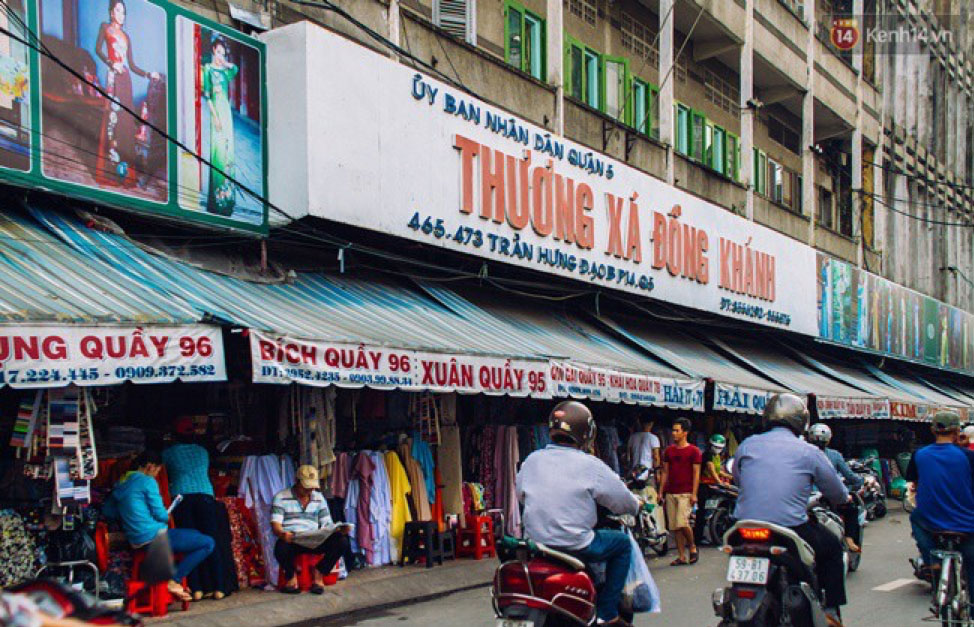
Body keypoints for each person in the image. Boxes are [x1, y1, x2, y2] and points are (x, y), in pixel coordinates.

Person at [516, 401, 640, 627]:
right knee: (622, 544)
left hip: (537, 543)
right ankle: (607, 611)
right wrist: (637, 506)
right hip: (576, 543)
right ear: (587, 432)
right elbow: (624, 502)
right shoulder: (591, 465)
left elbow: (521, 496)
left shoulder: (531, 460)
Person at [732, 393, 849, 627]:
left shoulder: (747, 444)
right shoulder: (809, 451)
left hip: (742, 527)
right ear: (801, 422)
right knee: (833, 548)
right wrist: (845, 498)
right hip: (790, 527)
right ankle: (830, 611)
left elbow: (738, 479)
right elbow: (837, 493)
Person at [101, 450, 214, 603]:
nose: (156, 475)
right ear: (150, 466)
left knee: (193, 533)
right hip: (154, 537)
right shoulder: (147, 481)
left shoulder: (121, 483)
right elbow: (161, 514)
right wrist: (166, 514)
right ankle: (174, 580)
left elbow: (108, 511)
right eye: (157, 470)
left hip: (135, 541)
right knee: (207, 543)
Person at [905, 410, 974, 600]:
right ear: (957, 431)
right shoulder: (967, 456)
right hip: (967, 524)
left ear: (933, 430)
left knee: (915, 517)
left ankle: (931, 559)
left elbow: (914, 484)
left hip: (931, 521)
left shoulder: (919, 455)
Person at [162, 416, 231, 600]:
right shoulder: (202, 451)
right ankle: (219, 587)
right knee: (211, 540)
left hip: (182, 498)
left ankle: (197, 588)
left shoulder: (168, 453)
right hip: (206, 497)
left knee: (191, 543)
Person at [94, 0, 159, 187]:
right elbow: (98, 49)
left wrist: (148, 74)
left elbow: (132, 65)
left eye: (124, 12)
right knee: (112, 121)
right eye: (118, 10)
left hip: (126, 81)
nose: (121, 15)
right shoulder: (105, 27)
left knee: (125, 123)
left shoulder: (126, 37)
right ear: (111, 12)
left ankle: (126, 174)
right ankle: (110, 171)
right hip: (114, 77)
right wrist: (110, 62)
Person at [271, 465, 351, 594]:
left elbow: (327, 523)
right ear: (297, 482)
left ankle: (319, 573)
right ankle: (291, 577)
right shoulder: (281, 497)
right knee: (280, 547)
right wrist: (282, 534)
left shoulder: (318, 498)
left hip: (315, 540)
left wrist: (337, 530)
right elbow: (276, 525)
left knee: (342, 541)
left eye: (312, 487)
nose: (310, 490)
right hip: (294, 540)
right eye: (306, 487)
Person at [807, 423, 863, 553]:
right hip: (828, 498)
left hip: (806, 500)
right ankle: (849, 538)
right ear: (828, 439)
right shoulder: (834, 455)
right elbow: (848, 476)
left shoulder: (801, 454)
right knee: (852, 510)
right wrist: (860, 481)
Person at [202, 35, 239, 216]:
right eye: (217, 52)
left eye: (223, 53)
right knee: (218, 154)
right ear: (212, 51)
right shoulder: (207, 70)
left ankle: (227, 201)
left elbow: (236, 69)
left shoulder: (225, 72)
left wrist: (225, 64)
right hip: (216, 113)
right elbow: (207, 96)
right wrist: (215, 117)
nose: (220, 56)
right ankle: (215, 201)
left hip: (227, 115)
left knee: (227, 153)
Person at [660, 418, 702, 565]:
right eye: (673, 430)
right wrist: (661, 491)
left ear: (685, 433)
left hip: (686, 492)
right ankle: (681, 556)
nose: (673, 433)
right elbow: (665, 472)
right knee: (675, 526)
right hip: (671, 491)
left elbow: (696, 473)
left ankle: (692, 546)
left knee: (682, 522)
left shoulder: (694, 451)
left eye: (677, 430)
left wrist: (694, 493)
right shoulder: (669, 451)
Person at [694, 433, 731, 545]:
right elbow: (711, 470)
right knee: (702, 513)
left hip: (711, 486)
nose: (718, 449)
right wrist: (720, 482)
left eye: (720, 448)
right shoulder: (708, 455)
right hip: (704, 487)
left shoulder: (717, 456)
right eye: (716, 447)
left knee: (707, 511)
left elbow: (718, 470)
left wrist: (729, 476)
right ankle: (698, 538)